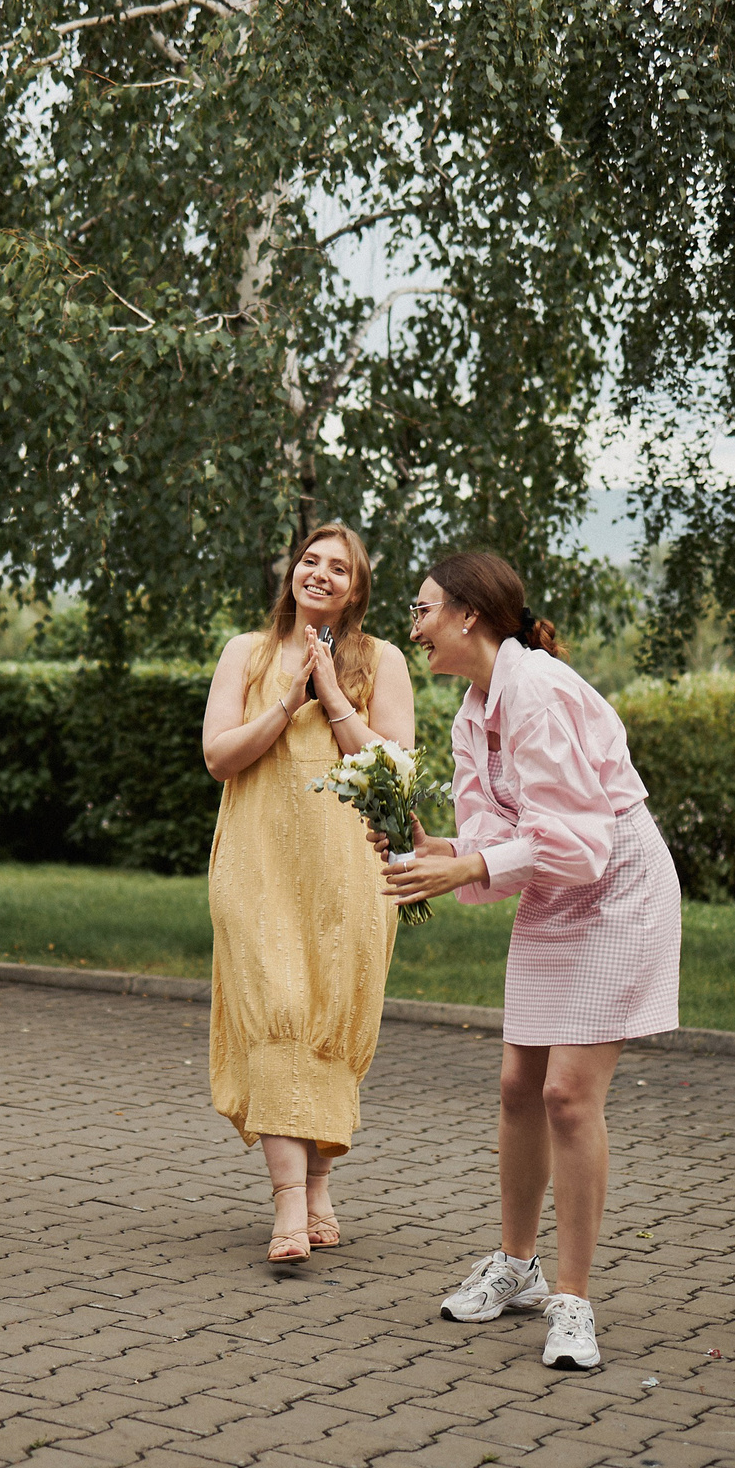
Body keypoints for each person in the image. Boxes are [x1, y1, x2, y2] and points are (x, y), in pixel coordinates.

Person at [379, 551, 681, 1372]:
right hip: (559, 886)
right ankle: (516, 1266)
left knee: (567, 1097)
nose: (414, 626)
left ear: (470, 615)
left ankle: (572, 1300)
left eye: (424, 608)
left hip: (616, 886)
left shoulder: (538, 689)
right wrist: (439, 854)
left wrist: (469, 866)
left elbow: (580, 843)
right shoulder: (471, 711)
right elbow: (494, 841)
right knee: (518, 1084)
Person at [200, 523, 417, 1262]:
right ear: (293, 571)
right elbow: (218, 756)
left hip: (347, 870)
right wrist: (286, 700)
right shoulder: (246, 653)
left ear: (357, 590)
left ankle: (319, 1186)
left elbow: (392, 770)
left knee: (329, 1017)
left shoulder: (381, 660)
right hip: (258, 863)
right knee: (279, 1010)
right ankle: (287, 1205)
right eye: (310, 560)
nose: (319, 573)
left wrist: (330, 693)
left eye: (339, 568)